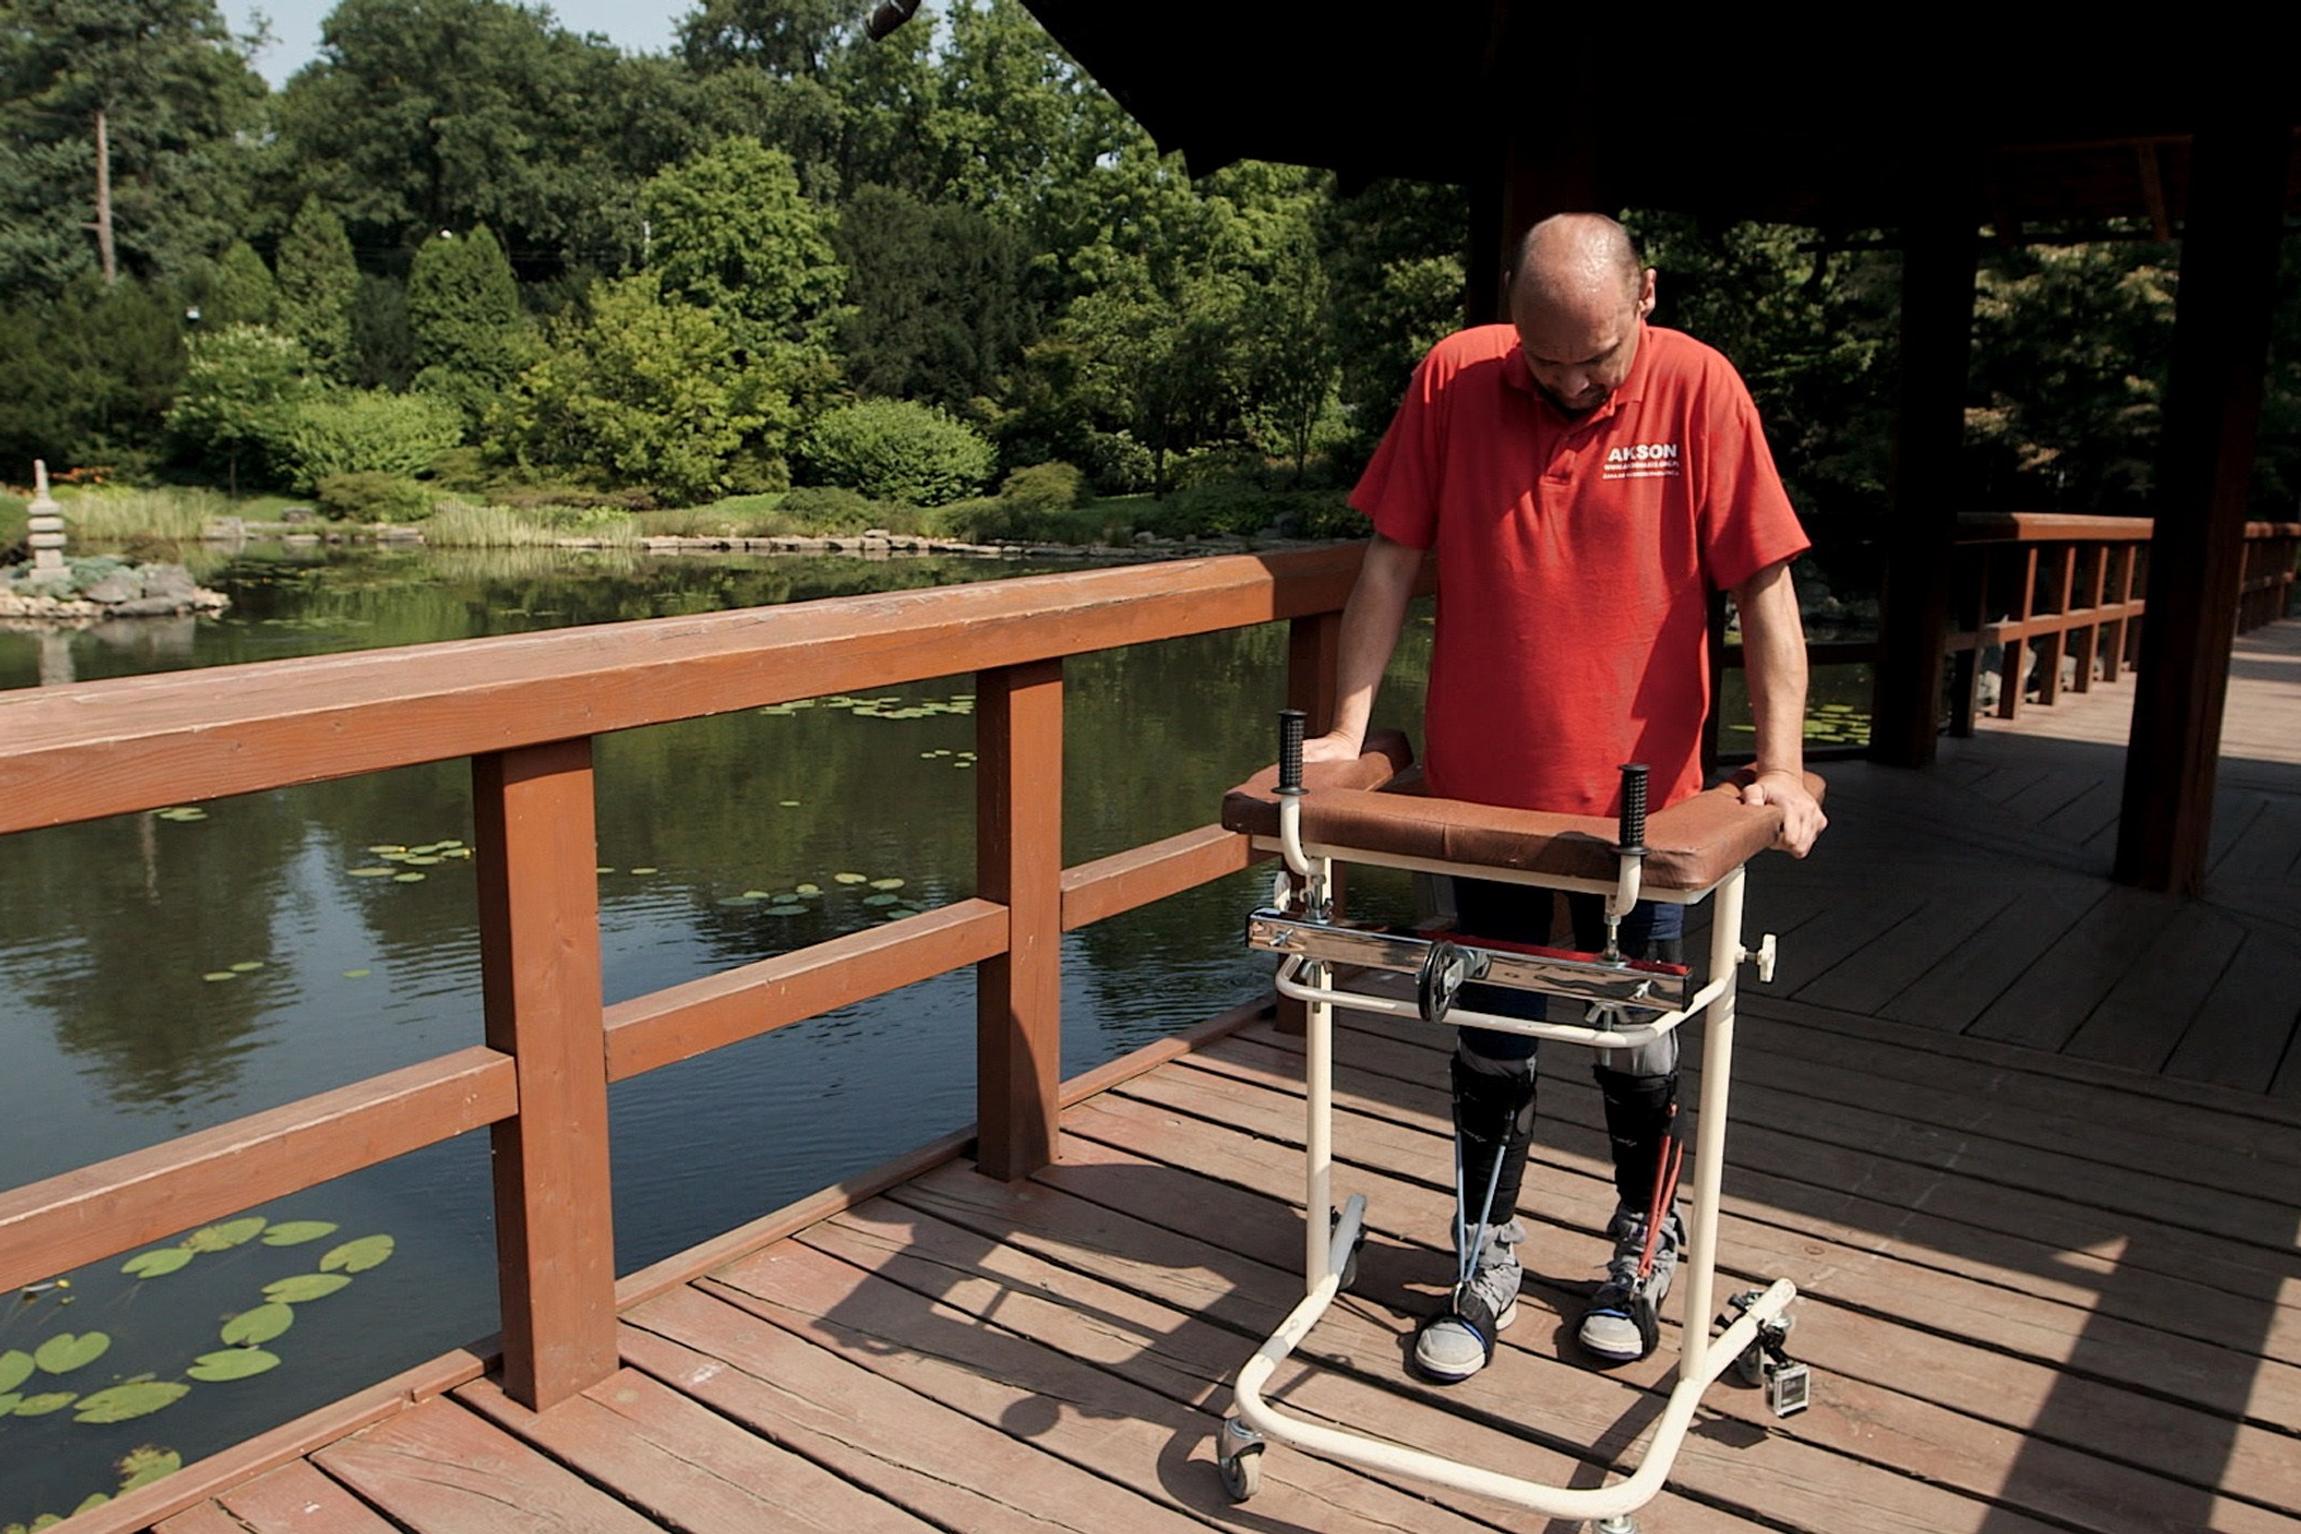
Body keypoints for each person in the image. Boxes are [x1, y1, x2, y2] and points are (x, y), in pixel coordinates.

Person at [1301, 212, 1827, 1383]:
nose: (1575, 385)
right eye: (1548, 365)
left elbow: (1766, 588)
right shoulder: (1451, 379)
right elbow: (1387, 559)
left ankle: (1640, 1251)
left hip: (1647, 814)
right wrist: (1345, 729)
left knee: (1634, 1044)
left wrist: (1782, 765)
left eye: (1597, 362)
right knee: (1490, 1037)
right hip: (1486, 808)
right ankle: (1481, 1256)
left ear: (1647, 292)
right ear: (1513, 322)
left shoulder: (1700, 388)